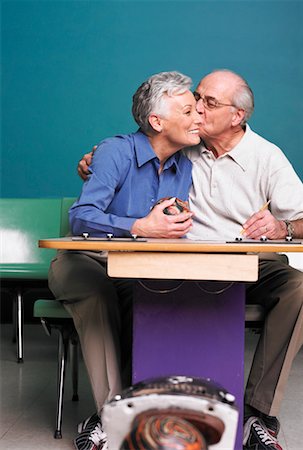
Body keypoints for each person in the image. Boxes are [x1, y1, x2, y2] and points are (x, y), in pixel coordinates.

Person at [78, 69, 303, 450]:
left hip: (242, 258)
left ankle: (256, 414)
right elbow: (149, 133)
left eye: (208, 103)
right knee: (129, 289)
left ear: (237, 116)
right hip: (172, 259)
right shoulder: (183, 144)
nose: (197, 108)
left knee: (297, 287)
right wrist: (96, 160)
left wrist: (282, 227)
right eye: (195, 99)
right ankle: (120, 411)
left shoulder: (266, 156)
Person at [49, 70, 201, 450]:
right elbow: (81, 216)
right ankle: (109, 418)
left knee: (160, 296)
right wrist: (138, 226)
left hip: (136, 267)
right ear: (157, 121)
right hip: (85, 260)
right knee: (99, 293)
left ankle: (142, 408)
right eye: (188, 110)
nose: (198, 117)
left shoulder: (185, 166)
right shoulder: (115, 151)